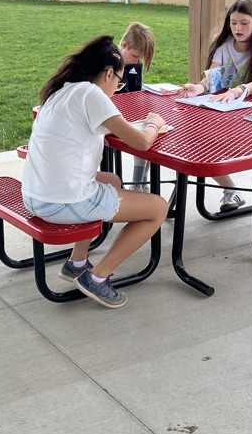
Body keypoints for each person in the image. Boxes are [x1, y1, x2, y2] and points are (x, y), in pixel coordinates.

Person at [21, 35, 169, 309]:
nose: (118, 87)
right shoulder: (91, 94)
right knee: (158, 208)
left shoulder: (62, 91)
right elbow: (142, 142)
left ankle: (76, 263)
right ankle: (98, 278)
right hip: (62, 202)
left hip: (34, 193)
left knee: (111, 179)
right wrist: (154, 122)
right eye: (119, 81)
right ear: (109, 73)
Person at [177, 0, 252, 211]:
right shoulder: (222, 42)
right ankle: (231, 190)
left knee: (203, 143)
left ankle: (230, 191)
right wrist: (200, 87)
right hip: (222, 108)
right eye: (233, 23)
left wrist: (238, 90)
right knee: (193, 138)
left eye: (244, 23)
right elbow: (213, 77)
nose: (237, 29)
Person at [115, 21, 155, 191]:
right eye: (134, 56)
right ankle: (137, 185)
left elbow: (136, 91)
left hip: (129, 113)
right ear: (123, 45)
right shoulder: (109, 65)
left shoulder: (134, 65)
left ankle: (141, 182)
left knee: (151, 132)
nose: (135, 61)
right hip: (113, 117)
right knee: (143, 136)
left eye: (139, 58)